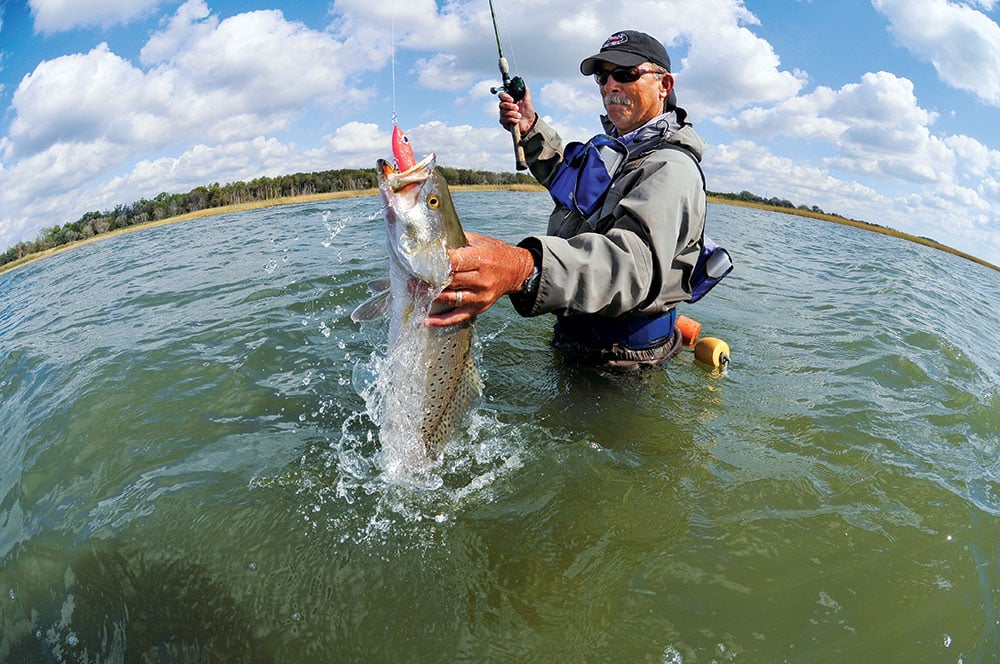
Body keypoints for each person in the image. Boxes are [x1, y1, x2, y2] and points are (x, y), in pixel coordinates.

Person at [427, 30, 710, 370]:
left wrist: (523, 268)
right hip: (575, 334)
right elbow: (565, 178)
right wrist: (530, 127)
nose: (610, 86)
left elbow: (631, 266)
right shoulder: (614, 149)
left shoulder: (670, 167)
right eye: (602, 76)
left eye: (625, 74)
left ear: (664, 85)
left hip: (623, 361)